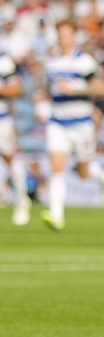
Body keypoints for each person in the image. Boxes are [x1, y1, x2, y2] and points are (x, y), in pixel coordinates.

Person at [41, 20, 104, 231]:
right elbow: (47, 89)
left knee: (83, 172)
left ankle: (102, 175)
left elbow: (99, 88)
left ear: (74, 37)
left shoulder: (85, 62)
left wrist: (74, 90)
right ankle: (56, 215)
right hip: (57, 123)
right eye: (60, 35)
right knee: (56, 168)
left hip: (81, 124)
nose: (63, 39)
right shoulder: (51, 63)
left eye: (66, 35)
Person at [0, 51, 31, 225]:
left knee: (11, 159)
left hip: (1, 120)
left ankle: (21, 200)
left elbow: (17, 88)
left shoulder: (3, 61)